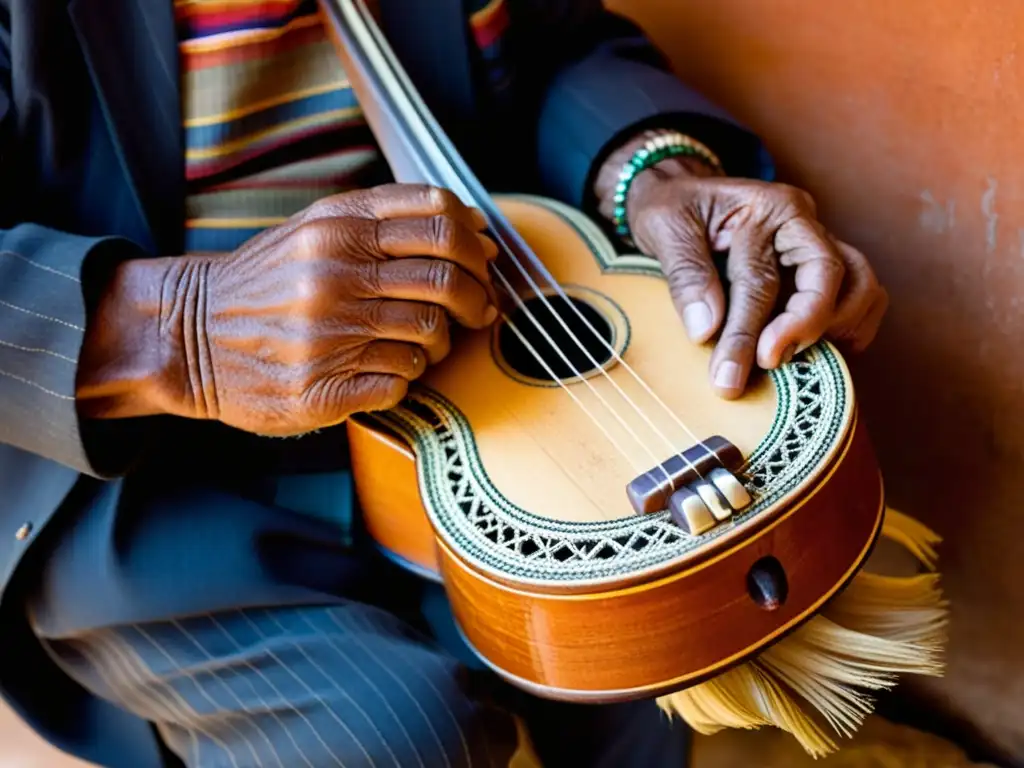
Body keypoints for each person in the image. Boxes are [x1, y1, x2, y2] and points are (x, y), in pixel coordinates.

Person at [0, 0, 889, 766]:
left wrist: (653, 172)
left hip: (487, 366)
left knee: (640, 648)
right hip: (141, 463)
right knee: (391, 740)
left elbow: (557, 45)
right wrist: (183, 329)